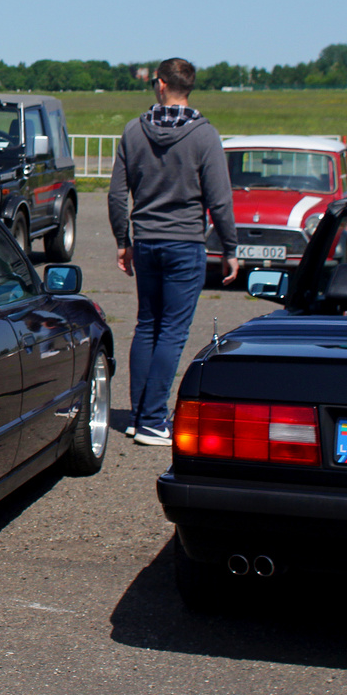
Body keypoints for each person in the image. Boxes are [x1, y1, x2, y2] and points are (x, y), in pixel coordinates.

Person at [108, 57, 238, 446]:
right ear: (187, 87)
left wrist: (122, 240)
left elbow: (117, 193)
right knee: (172, 331)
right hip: (185, 242)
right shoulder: (204, 135)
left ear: (161, 84)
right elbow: (220, 198)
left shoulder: (134, 131)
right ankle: (152, 419)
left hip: (146, 241)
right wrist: (230, 248)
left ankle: (137, 415)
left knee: (147, 325)